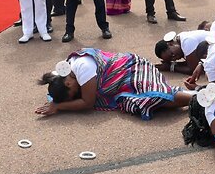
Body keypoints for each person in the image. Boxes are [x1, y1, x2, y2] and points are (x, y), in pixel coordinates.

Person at [35, 48, 196, 120]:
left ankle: (197, 99)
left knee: (153, 98)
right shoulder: (64, 73)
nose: (74, 96)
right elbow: (54, 87)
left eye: (71, 96)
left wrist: (59, 106)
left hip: (132, 69)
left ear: (69, 84)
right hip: (122, 80)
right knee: (132, 103)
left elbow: (87, 102)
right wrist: (56, 101)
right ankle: (195, 95)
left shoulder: (82, 68)